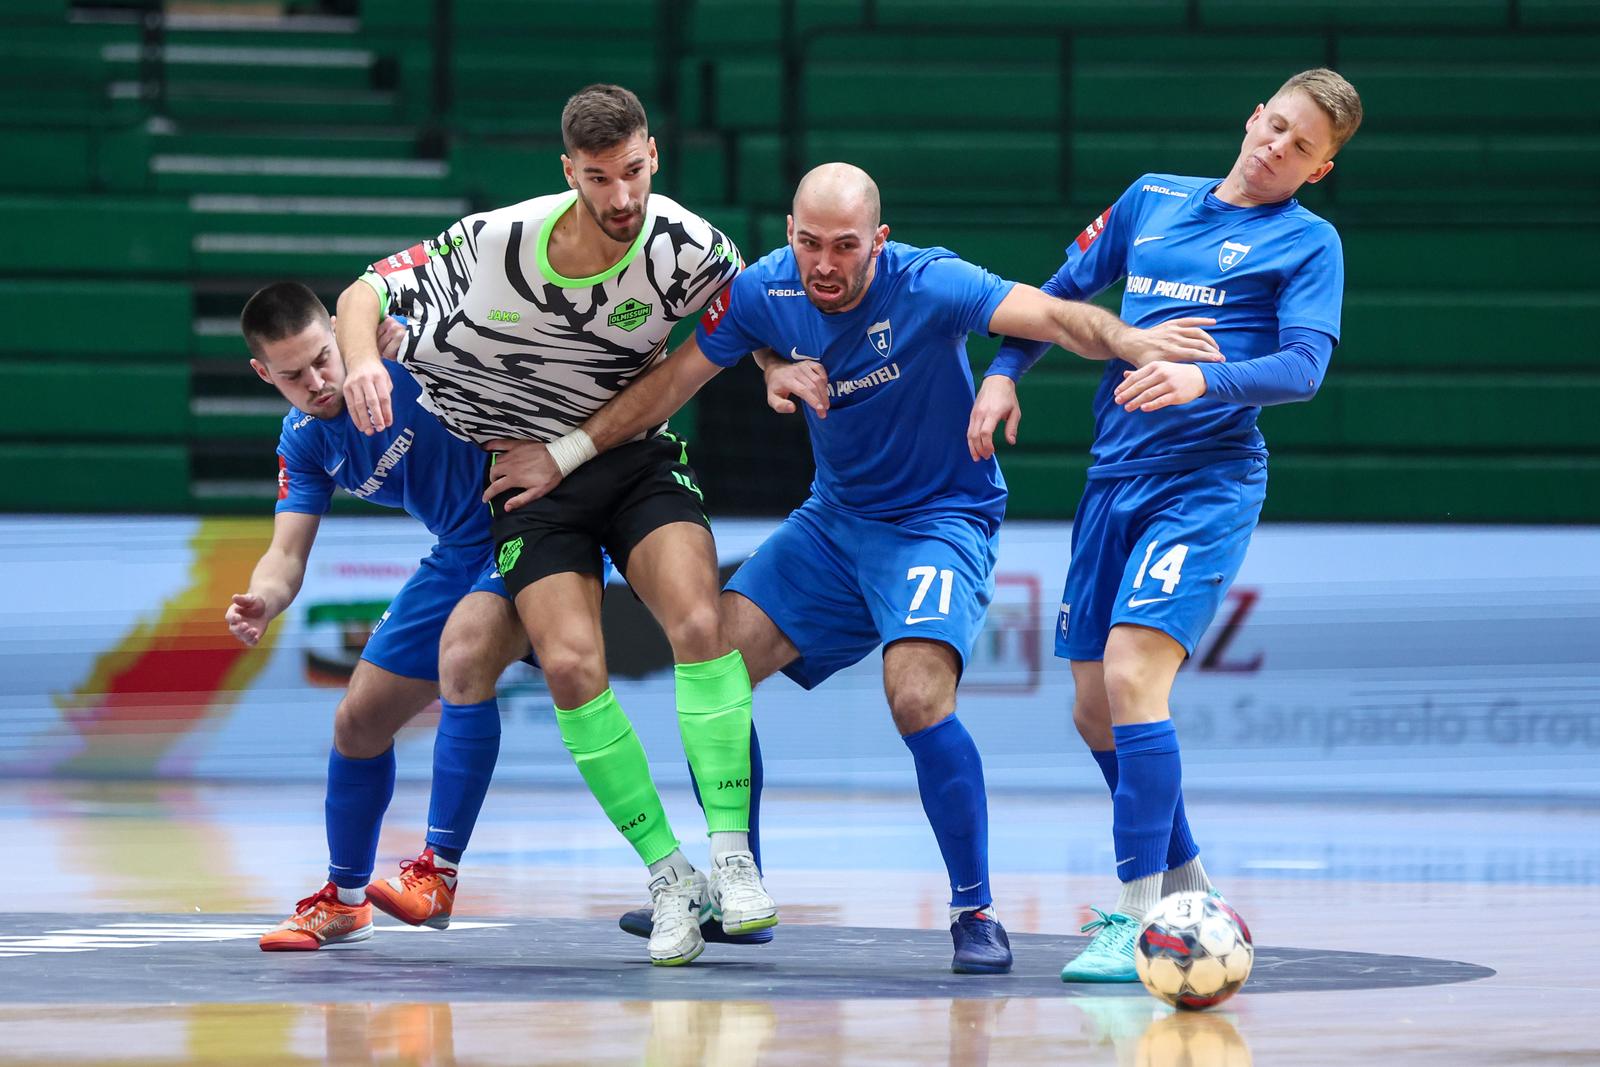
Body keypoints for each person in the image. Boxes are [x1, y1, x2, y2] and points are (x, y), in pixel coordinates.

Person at [486, 161, 1224, 973]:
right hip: (834, 525)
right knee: (715, 659)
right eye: (808, 243)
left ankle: (974, 909)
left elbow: (1050, 313)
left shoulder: (932, 282)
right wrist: (565, 454)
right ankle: (741, 889)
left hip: (939, 521)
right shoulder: (769, 290)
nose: (825, 264)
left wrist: (1126, 339)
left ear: (879, 239)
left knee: (914, 694)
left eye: (844, 246)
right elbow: (669, 385)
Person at [333, 84, 775, 967]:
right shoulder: (493, 244)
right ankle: (668, 874)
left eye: (636, 172)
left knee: (699, 621)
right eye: (601, 179)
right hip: (527, 486)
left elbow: (752, 311)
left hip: (634, 456)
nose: (622, 199)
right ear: (569, 172)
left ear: (655, 153)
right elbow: (359, 291)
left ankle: (734, 861)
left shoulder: (686, 244)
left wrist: (775, 365)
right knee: (572, 664)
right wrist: (358, 367)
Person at [970, 68, 1364, 981]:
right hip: (1114, 475)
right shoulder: (1152, 199)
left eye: (1301, 147)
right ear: (1252, 114)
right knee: (1092, 707)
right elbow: (1058, 296)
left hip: (1207, 480)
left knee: (1133, 673)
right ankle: (1188, 882)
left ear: (1320, 169)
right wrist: (1001, 374)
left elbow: (1303, 367)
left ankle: (1140, 915)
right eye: (1275, 126)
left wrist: (1203, 378)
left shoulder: (1308, 243)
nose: (1276, 148)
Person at [232, 282, 532, 951]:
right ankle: (344, 900)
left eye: (321, 358)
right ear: (263, 373)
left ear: (339, 332)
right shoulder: (305, 441)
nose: (316, 380)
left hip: (537, 520)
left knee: (464, 658)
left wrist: (428, 346)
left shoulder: (399, 343)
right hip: (459, 549)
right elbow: (285, 552)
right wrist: (264, 598)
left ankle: (438, 872)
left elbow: (508, 338)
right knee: (358, 720)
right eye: (291, 374)